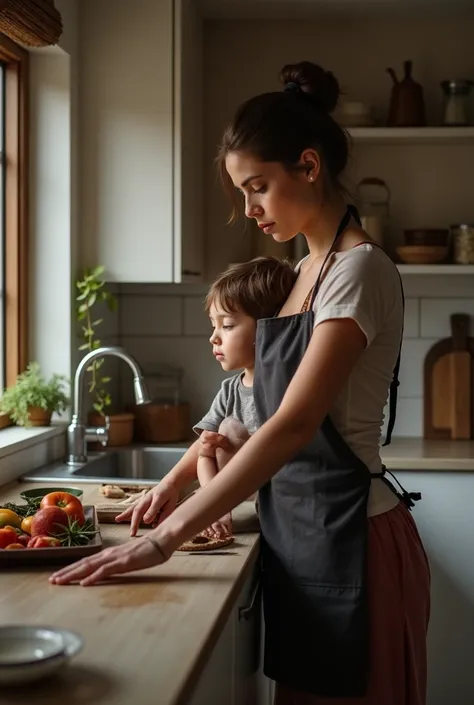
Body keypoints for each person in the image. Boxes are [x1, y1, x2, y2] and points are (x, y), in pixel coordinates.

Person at [50, 61, 431, 705]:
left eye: (258, 187)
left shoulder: (358, 270)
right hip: (305, 537)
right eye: (242, 192)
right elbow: (251, 409)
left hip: (355, 541)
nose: (249, 209)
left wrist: (162, 540)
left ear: (308, 167)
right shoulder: (305, 268)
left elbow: (293, 424)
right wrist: (184, 484)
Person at [193, 256, 297, 538]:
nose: (214, 337)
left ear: (269, 328)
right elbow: (205, 456)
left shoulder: (293, 391)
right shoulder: (229, 392)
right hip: (241, 527)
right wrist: (215, 506)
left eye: (226, 325)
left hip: (287, 528)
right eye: (213, 325)